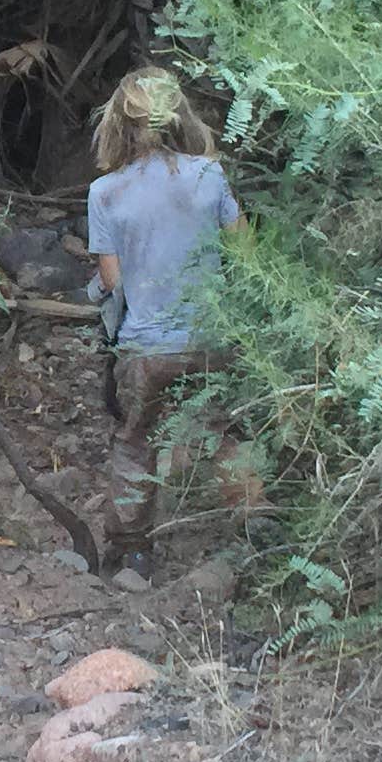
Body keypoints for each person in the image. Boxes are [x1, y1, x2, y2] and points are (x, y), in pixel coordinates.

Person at [84, 67, 241, 570]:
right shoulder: (209, 175)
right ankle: (255, 531)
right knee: (225, 435)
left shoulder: (104, 192)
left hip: (146, 348)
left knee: (135, 443)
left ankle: (133, 554)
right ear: (180, 116)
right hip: (212, 336)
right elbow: (246, 251)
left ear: (119, 123)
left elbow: (112, 282)